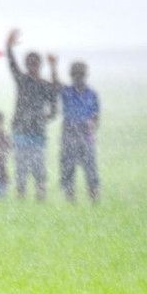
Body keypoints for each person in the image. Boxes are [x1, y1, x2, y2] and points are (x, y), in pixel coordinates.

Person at [6, 29, 58, 201]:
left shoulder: (43, 85)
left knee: (38, 170)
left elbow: (54, 102)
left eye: (35, 64)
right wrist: (8, 47)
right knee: (21, 169)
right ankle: (22, 198)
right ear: (27, 65)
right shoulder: (22, 80)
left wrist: (53, 67)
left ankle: (39, 199)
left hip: (36, 133)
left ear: (38, 65)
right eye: (30, 63)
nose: (32, 67)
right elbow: (12, 65)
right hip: (21, 132)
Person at [50, 56, 101, 203]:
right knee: (68, 170)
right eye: (76, 74)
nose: (79, 77)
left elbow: (96, 117)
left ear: (85, 75)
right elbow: (55, 85)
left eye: (81, 74)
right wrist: (53, 66)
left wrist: (91, 124)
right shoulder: (67, 92)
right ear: (72, 76)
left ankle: (94, 201)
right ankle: (70, 201)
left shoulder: (92, 94)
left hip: (86, 136)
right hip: (69, 135)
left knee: (91, 171)